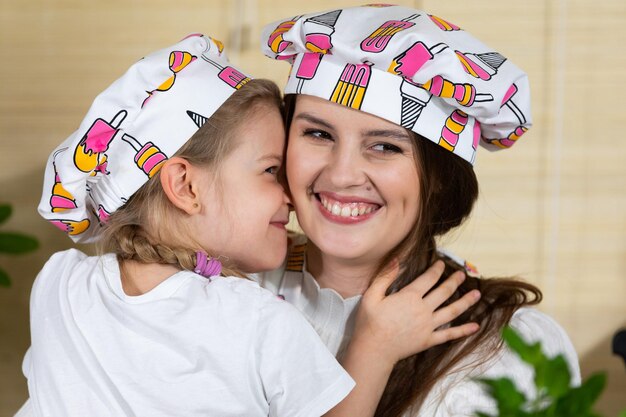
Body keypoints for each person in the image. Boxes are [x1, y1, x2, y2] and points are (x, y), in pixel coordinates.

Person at [16, 32, 479, 417]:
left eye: (384, 146)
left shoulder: (58, 281)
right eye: (270, 171)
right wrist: (375, 345)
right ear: (186, 186)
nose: (290, 197)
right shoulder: (256, 317)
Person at [258, 5, 581, 417]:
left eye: (385, 146)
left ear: (440, 176)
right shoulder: (222, 290)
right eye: (318, 134)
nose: (341, 176)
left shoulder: (507, 349)